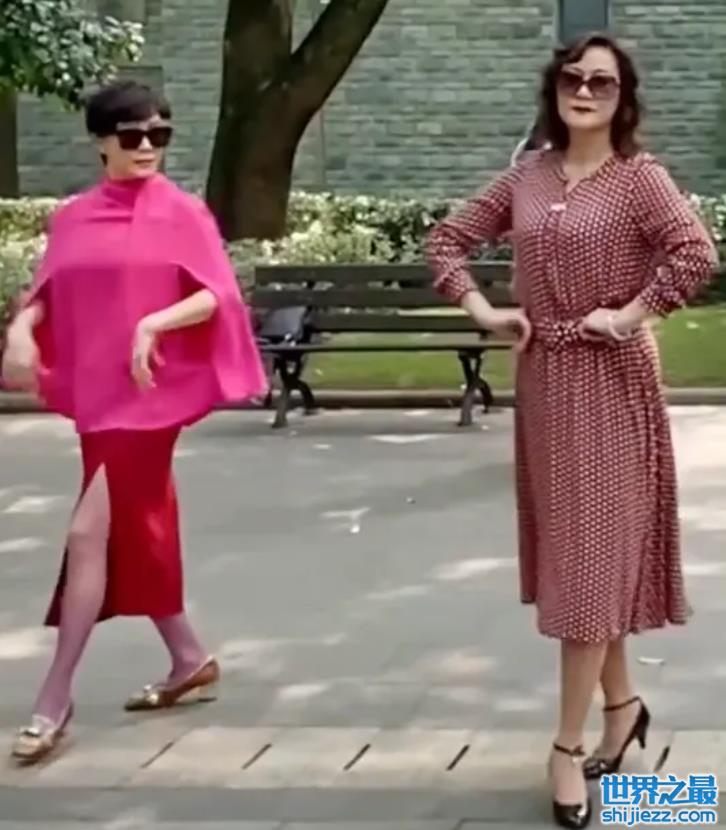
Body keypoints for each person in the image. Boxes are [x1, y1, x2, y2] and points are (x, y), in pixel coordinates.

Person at [425, 33, 718, 829]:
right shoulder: (528, 174)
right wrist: (485, 311)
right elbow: (447, 240)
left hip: (611, 383)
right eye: (572, 77)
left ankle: (566, 745)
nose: (584, 91)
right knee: (585, 560)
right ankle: (622, 709)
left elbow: (695, 253)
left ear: (624, 100)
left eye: (603, 82)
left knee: (589, 568)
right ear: (554, 87)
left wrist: (629, 315)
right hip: (546, 385)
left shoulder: (640, 178)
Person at [1, 80, 268, 764]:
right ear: (100, 141)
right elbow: (48, 291)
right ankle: (188, 656)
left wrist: (155, 322)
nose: (148, 146)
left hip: (152, 398)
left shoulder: (183, 212)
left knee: (88, 532)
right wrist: (23, 331)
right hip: (98, 396)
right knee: (136, 529)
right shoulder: (73, 217)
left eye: (160, 134)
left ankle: (53, 698)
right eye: (132, 135)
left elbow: (217, 295)